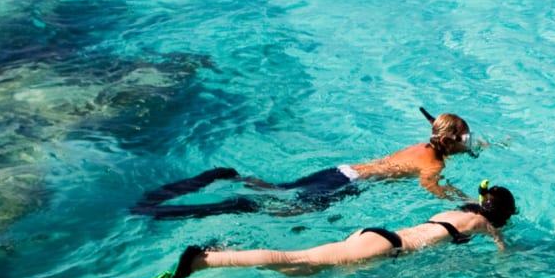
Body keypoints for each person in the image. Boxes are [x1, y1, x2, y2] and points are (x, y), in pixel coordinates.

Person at [123, 184, 516, 278]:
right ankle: (206, 260)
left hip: (376, 236)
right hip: (384, 248)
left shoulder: (456, 212)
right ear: (497, 214)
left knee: (303, 272)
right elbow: (499, 245)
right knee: (296, 257)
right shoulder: (481, 223)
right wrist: (509, 258)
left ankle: (221, 258)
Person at [132, 108, 481, 220]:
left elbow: (440, 146)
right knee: (287, 211)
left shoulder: (422, 145)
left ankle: (230, 177)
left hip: (339, 170)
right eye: (466, 139)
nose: (469, 143)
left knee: (279, 189)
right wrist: (461, 201)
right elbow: (428, 185)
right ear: (450, 142)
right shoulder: (434, 165)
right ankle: (233, 204)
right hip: (348, 185)